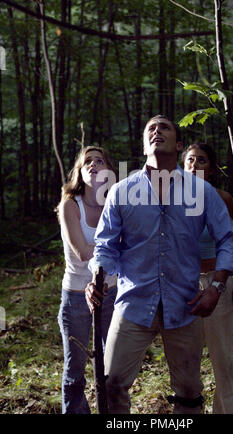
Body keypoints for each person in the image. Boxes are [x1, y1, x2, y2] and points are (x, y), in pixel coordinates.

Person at [85, 115, 233, 414]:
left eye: (165, 127)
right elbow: (105, 245)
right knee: (111, 382)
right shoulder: (121, 192)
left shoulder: (202, 192)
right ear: (144, 145)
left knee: (188, 391)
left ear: (179, 144)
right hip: (133, 303)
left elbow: (227, 241)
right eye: (151, 129)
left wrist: (216, 287)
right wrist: (97, 278)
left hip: (185, 305)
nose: (157, 131)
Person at [182, 142, 233, 414]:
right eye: (190, 160)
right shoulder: (170, 200)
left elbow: (230, 245)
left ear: (211, 169)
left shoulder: (222, 199)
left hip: (217, 284)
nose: (195, 165)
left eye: (202, 160)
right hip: (183, 285)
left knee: (225, 358)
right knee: (187, 361)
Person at [57, 145, 117, 414]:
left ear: (109, 171)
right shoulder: (70, 205)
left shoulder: (115, 203)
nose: (93, 165)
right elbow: (82, 252)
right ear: (79, 173)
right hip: (76, 296)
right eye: (87, 162)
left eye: (99, 161)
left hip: (113, 293)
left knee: (113, 367)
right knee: (75, 372)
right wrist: (114, 248)